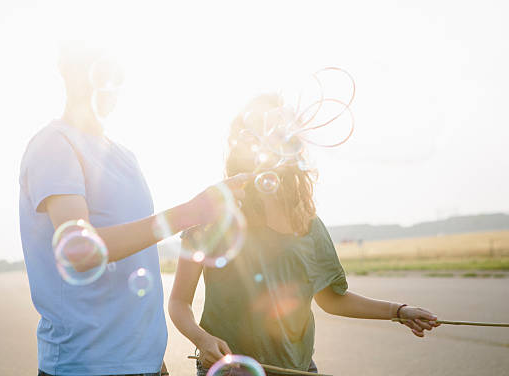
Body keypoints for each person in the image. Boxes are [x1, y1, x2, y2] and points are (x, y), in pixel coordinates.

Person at [18, 42, 249, 376]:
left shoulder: (124, 156)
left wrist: (150, 356)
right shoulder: (55, 144)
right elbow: (80, 250)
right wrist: (191, 212)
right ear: (67, 71)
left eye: (116, 73)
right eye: (98, 70)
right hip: (86, 366)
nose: (109, 82)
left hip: (146, 363)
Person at [168, 93, 440, 375]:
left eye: (281, 128)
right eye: (262, 129)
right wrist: (203, 340)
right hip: (231, 369)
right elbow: (178, 302)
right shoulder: (213, 212)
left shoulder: (305, 219)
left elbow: (332, 299)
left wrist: (399, 311)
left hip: (298, 368)